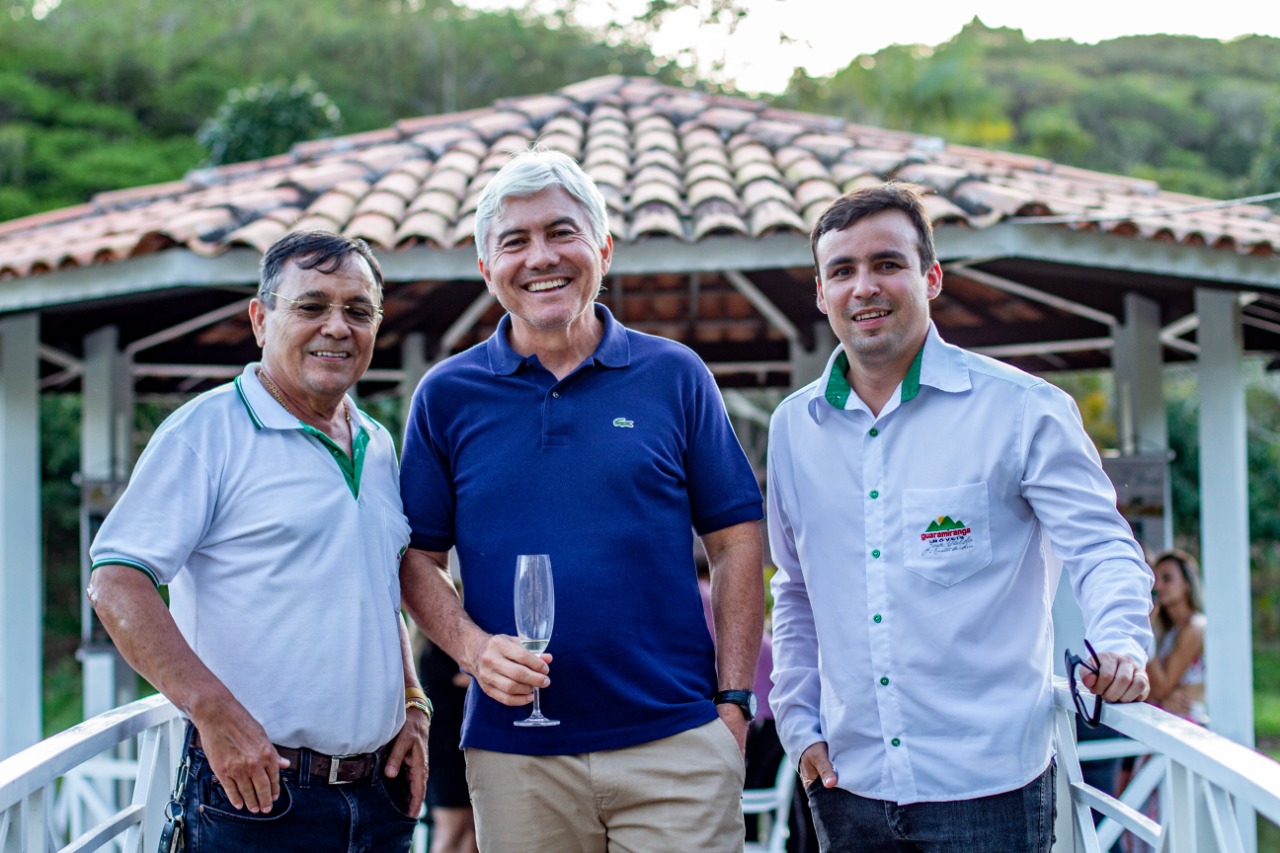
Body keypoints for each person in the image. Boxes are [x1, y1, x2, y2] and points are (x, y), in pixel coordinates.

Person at [766, 182, 1155, 852]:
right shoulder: (794, 426)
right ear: (822, 292)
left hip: (990, 788)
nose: (865, 287)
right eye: (842, 271)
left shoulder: (1023, 409)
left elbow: (1101, 545)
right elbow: (795, 587)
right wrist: (798, 724)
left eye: (887, 263)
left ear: (931, 277)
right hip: (847, 785)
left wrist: (1121, 640)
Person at [398, 148, 765, 853]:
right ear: (487, 268)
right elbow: (416, 557)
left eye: (562, 232)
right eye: (515, 241)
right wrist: (474, 651)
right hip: (516, 757)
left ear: (603, 248)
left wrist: (734, 703)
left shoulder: (675, 375)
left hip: (677, 744)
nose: (541, 257)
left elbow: (735, 537)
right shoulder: (446, 396)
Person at [87, 230, 429, 853]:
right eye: (311, 306)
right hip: (257, 797)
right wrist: (211, 712)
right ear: (260, 318)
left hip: (379, 798)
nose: (337, 327)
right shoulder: (207, 431)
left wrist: (413, 700)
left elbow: (378, 589)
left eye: (358, 311)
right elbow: (115, 582)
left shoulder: (377, 442)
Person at [419, 637, 479, 853]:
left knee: (473, 831)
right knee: (450, 831)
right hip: (445, 754)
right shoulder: (440, 649)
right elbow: (473, 678)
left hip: (464, 750)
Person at [1145, 548, 1207, 723]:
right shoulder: (1170, 631)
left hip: (1188, 727)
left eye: (1167, 579)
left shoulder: (1195, 626)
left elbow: (1161, 688)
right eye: (1155, 579)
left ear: (1187, 585)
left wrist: (1146, 631)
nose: (1157, 586)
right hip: (1167, 721)